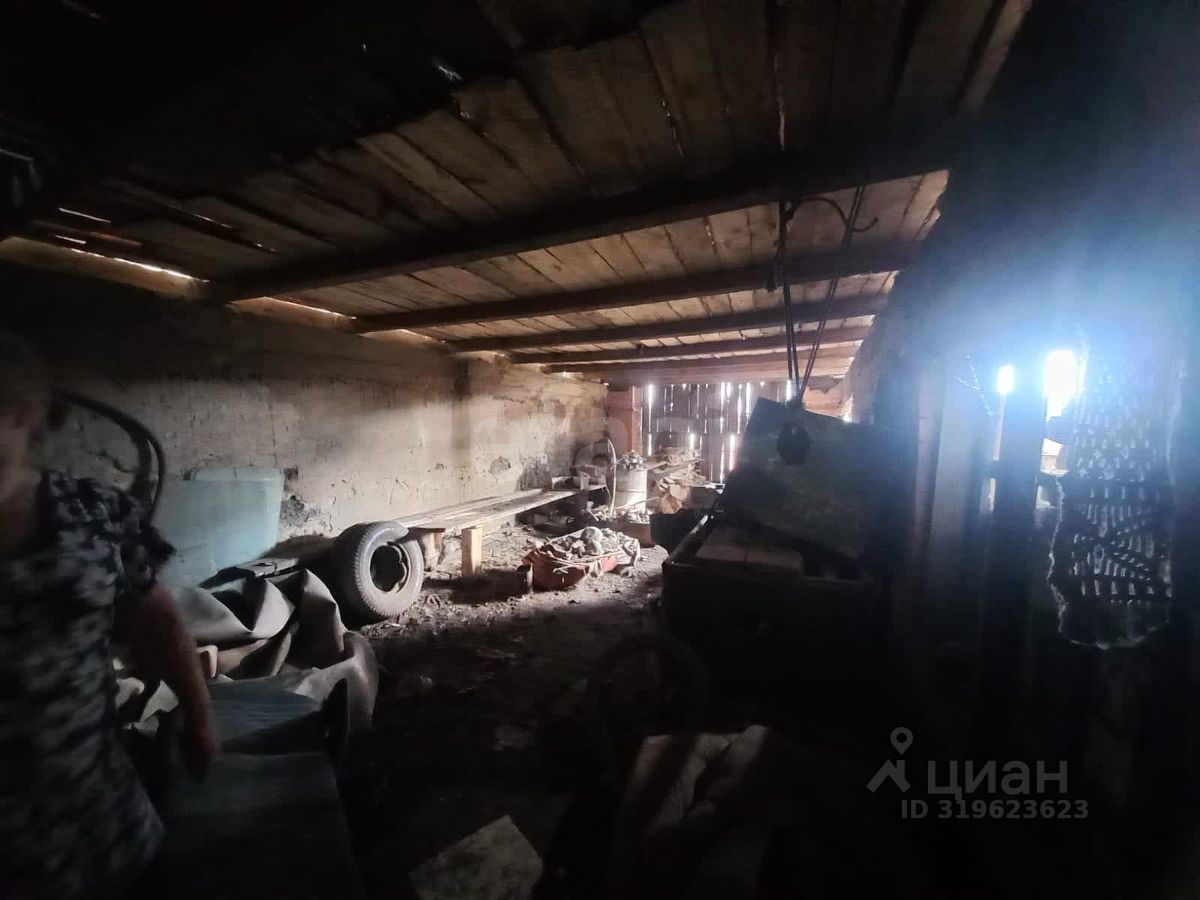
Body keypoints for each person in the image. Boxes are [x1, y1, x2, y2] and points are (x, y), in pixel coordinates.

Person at [0, 332, 217, 899]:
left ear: (22, 416)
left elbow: (156, 616)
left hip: (97, 816)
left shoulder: (95, 513)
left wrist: (199, 715)